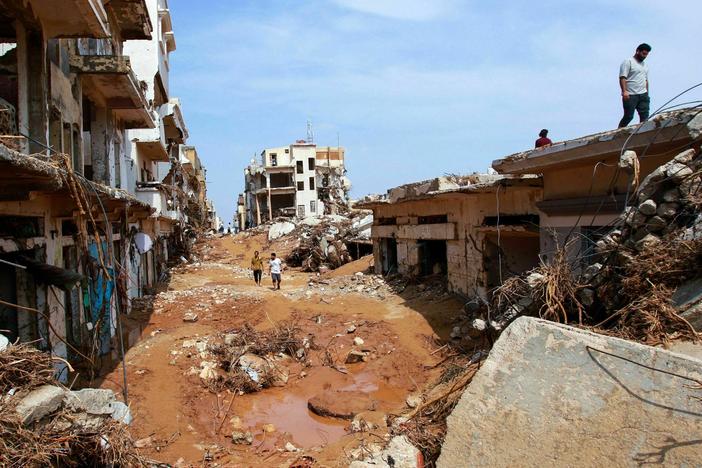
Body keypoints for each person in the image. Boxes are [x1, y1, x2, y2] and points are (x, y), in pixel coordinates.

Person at [618, 43, 652, 128]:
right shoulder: (628, 62)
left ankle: (642, 133)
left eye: (646, 54)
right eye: (643, 54)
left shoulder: (645, 65)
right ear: (637, 51)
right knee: (628, 116)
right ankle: (619, 132)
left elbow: (646, 80)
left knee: (645, 117)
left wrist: (647, 93)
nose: (645, 56)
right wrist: (624, 91)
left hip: (643, 94)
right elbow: (622, 77)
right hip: (631, 95)